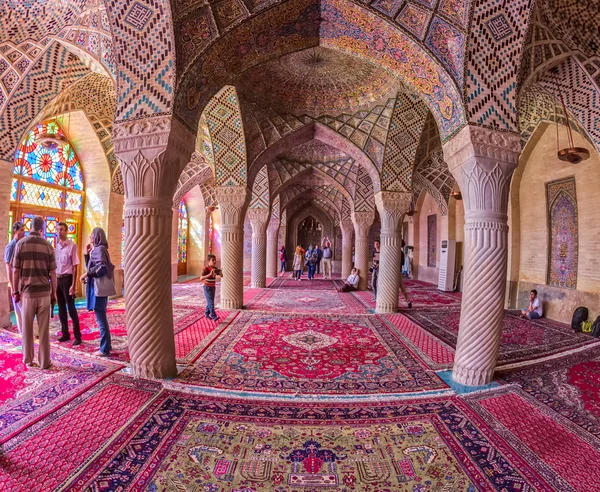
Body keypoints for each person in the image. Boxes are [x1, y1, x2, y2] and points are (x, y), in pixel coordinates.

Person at [12, 216, 57, 369]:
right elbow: (53, 273)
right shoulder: (47, 246)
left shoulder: (21, 244)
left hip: (27, 294)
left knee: (27, 329)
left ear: (30, 227)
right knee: (44, 331)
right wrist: (54, 293)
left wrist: (15, 290)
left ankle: (28, 360)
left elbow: (16, 271)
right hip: (44, 294)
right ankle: (45, 362)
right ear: (42, 229)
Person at [81, 227, 114, 356]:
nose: (90, 237)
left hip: (98, 288)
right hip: (96, 287)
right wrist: (86, 254)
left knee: (101, 318)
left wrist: (85, 275)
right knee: (101, 316)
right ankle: (107, 345)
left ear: (97, 236)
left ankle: (104, 349)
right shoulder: (97, 250)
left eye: (92, 235)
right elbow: (92, 266)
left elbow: (101, 269)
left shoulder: (100, 250)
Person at [55, 222, 82, 345]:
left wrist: (74, 284)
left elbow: (75, 266)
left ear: (66, 231)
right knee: (60, 308)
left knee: (71, 308)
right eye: (58, 230)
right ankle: (65, 333)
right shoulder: (57, 247)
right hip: (58, 279)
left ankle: (78, 336)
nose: (59, 231)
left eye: (61, 229)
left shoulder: (72, 246)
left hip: (68, 279)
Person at [5, 221, 25, 333]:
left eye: (24, 230)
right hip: (15, 280)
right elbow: (9, 268)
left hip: (22, 279)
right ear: (15, 231)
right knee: (19, 308)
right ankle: (23, 332)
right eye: (21, 230)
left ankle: (27, 330)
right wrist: (12, 287)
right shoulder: (11, 247)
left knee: (25, 308)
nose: (23, 232)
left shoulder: (22, 244)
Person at [200, 254, 222, 321]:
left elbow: (221, 276)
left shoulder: (215, 269)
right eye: (213, 260)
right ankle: (213, 315)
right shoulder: (206, 269)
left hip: (213, 287)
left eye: (215, 260)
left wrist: (220, 272)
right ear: (208, 261)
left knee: (210, 301)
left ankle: (207, 313)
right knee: (211, 302)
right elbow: (201, 278)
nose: (214, 261)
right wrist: (209, 274)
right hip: (207, 287)